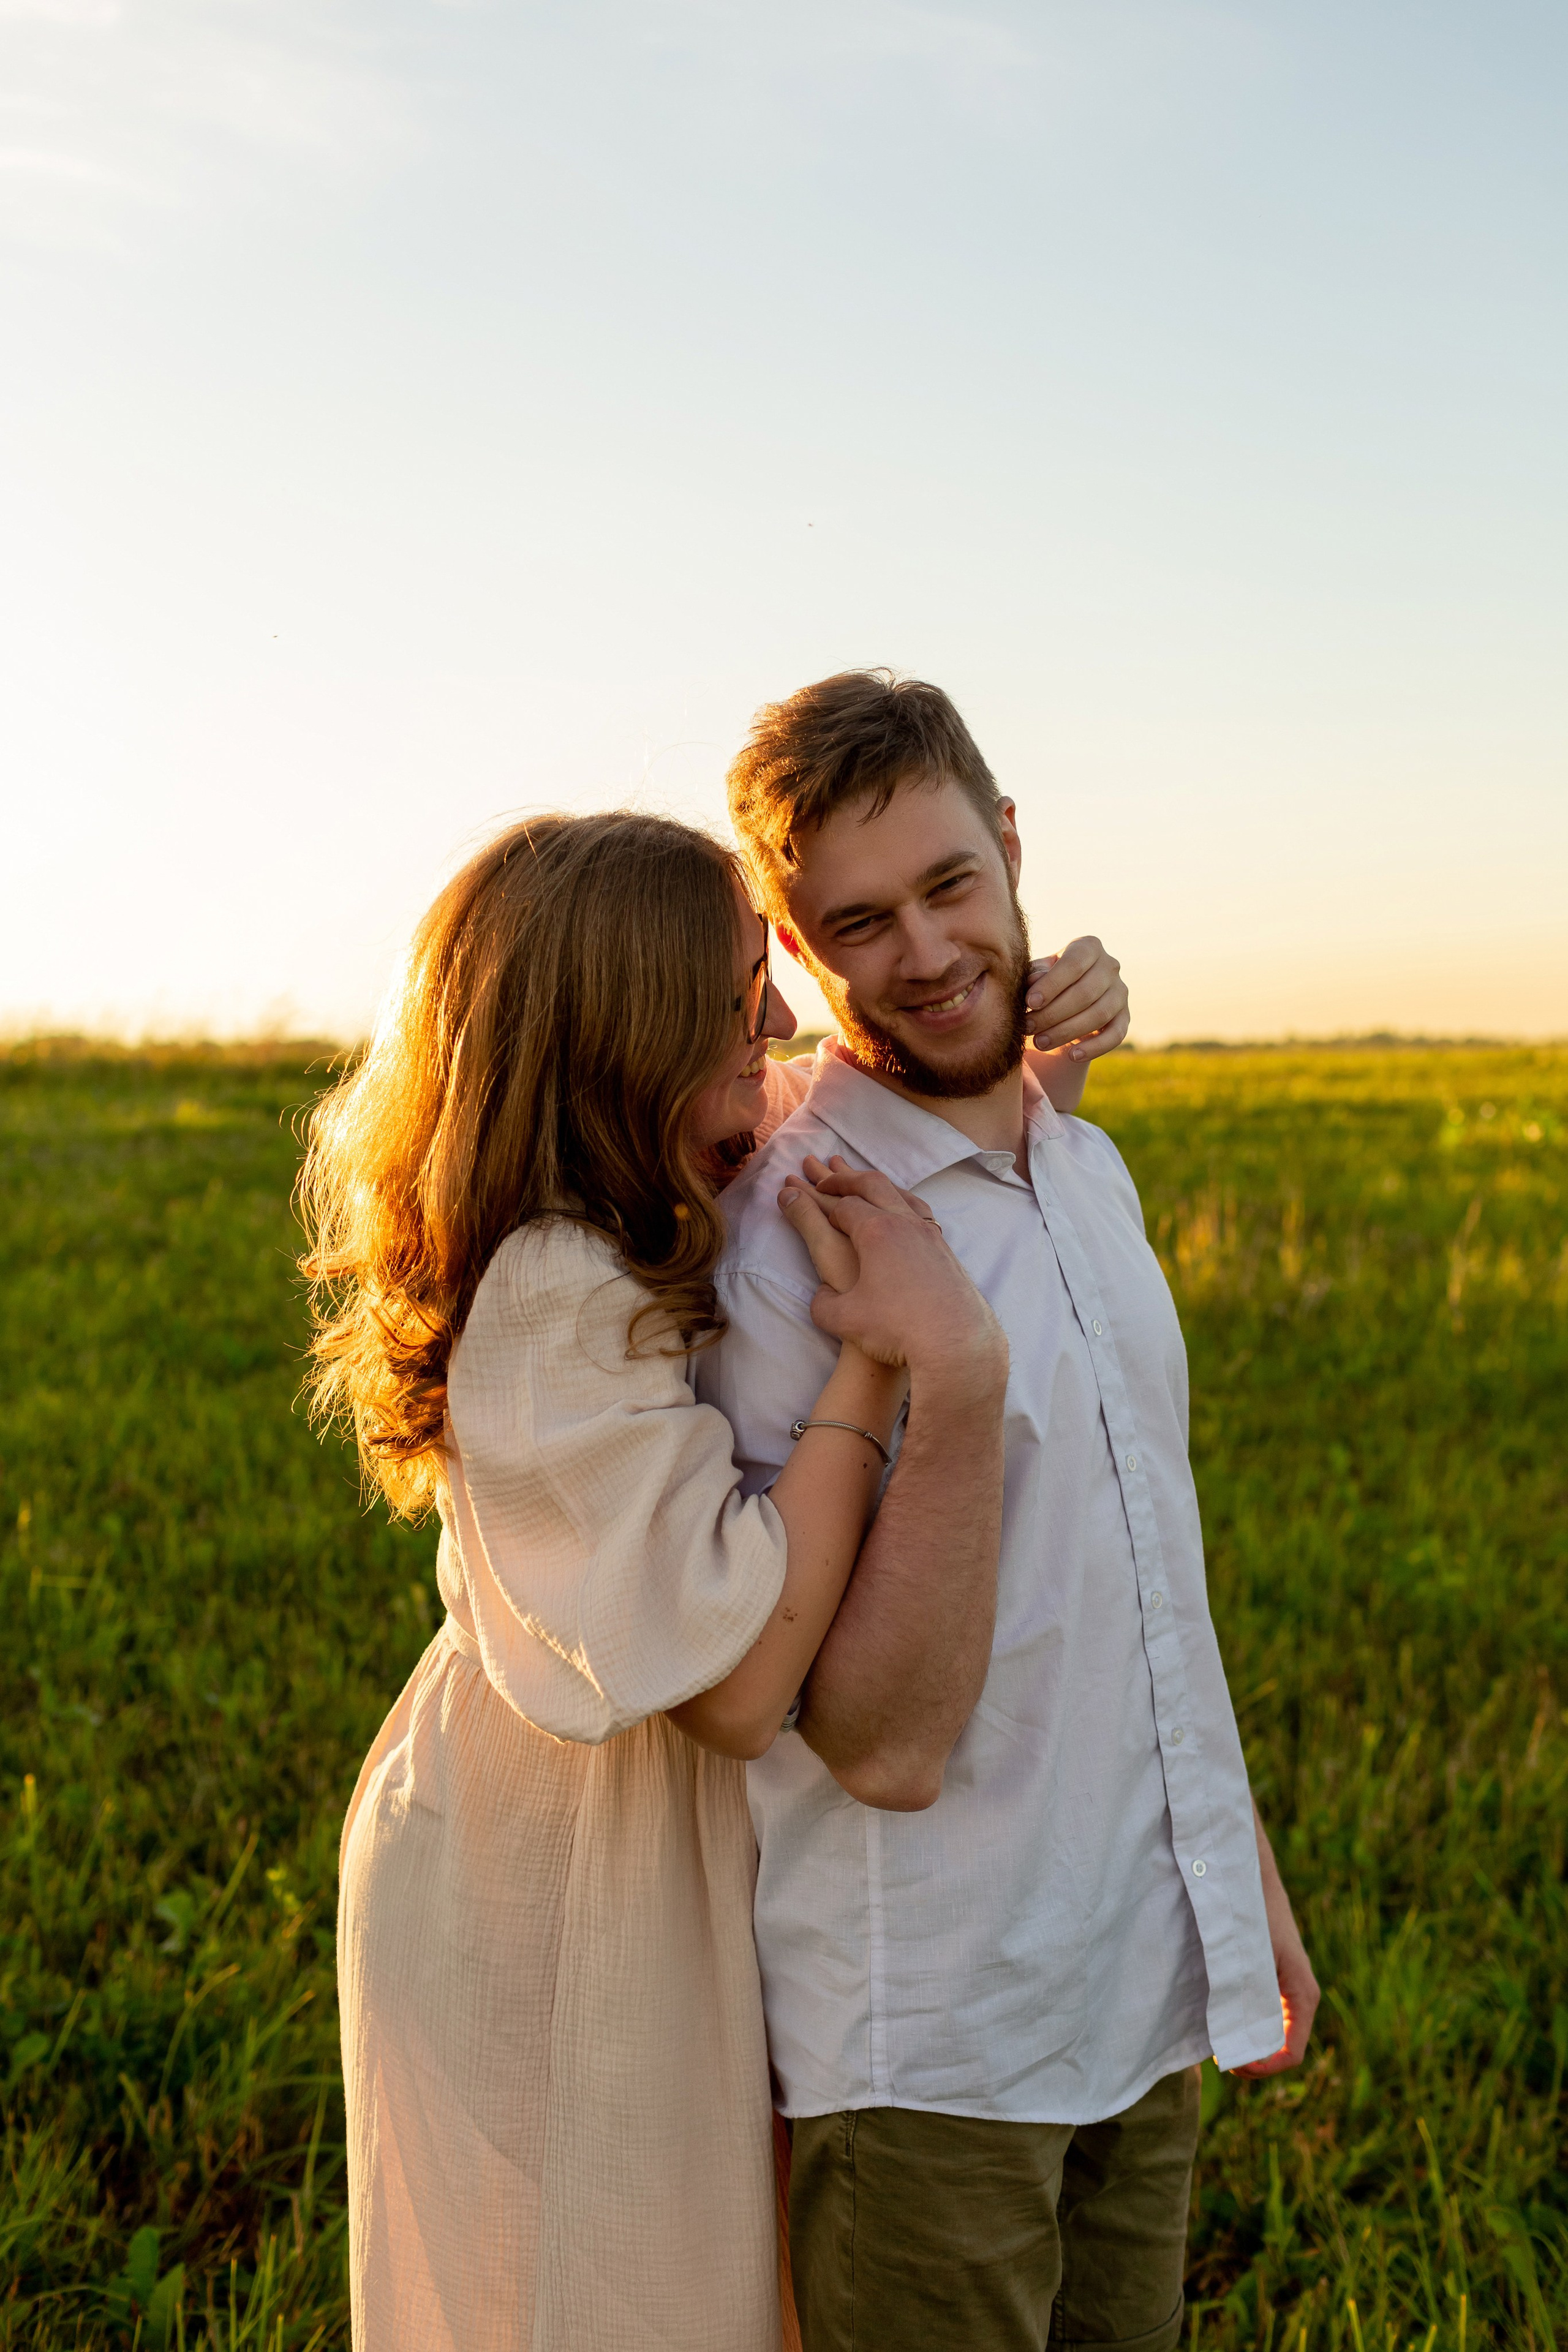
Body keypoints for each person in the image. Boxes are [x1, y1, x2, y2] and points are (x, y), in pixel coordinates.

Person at [300, 809, 1036, 2352]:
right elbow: (744, 1676)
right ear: (620, 1041)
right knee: (610, 2277)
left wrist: (1041, 1039)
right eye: (731, 993)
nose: (774, 1021)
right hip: (564, 1850)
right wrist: (872, 1370)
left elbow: (867, 1104)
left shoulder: (648, 1194)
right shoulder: (553, 1293)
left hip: (644, 1835)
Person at [704, 671, 1322, 2352]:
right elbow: (869, 1736)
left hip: (1138, 1979)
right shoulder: (788, 1242)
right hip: (934, 2046)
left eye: (952, 886)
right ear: (788, 945)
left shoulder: (1082, 1164)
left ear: (1014, 846)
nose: (923, 951)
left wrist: (1236, 1881)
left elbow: (1131, 1573)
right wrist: (945, 1368)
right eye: (860, 921)